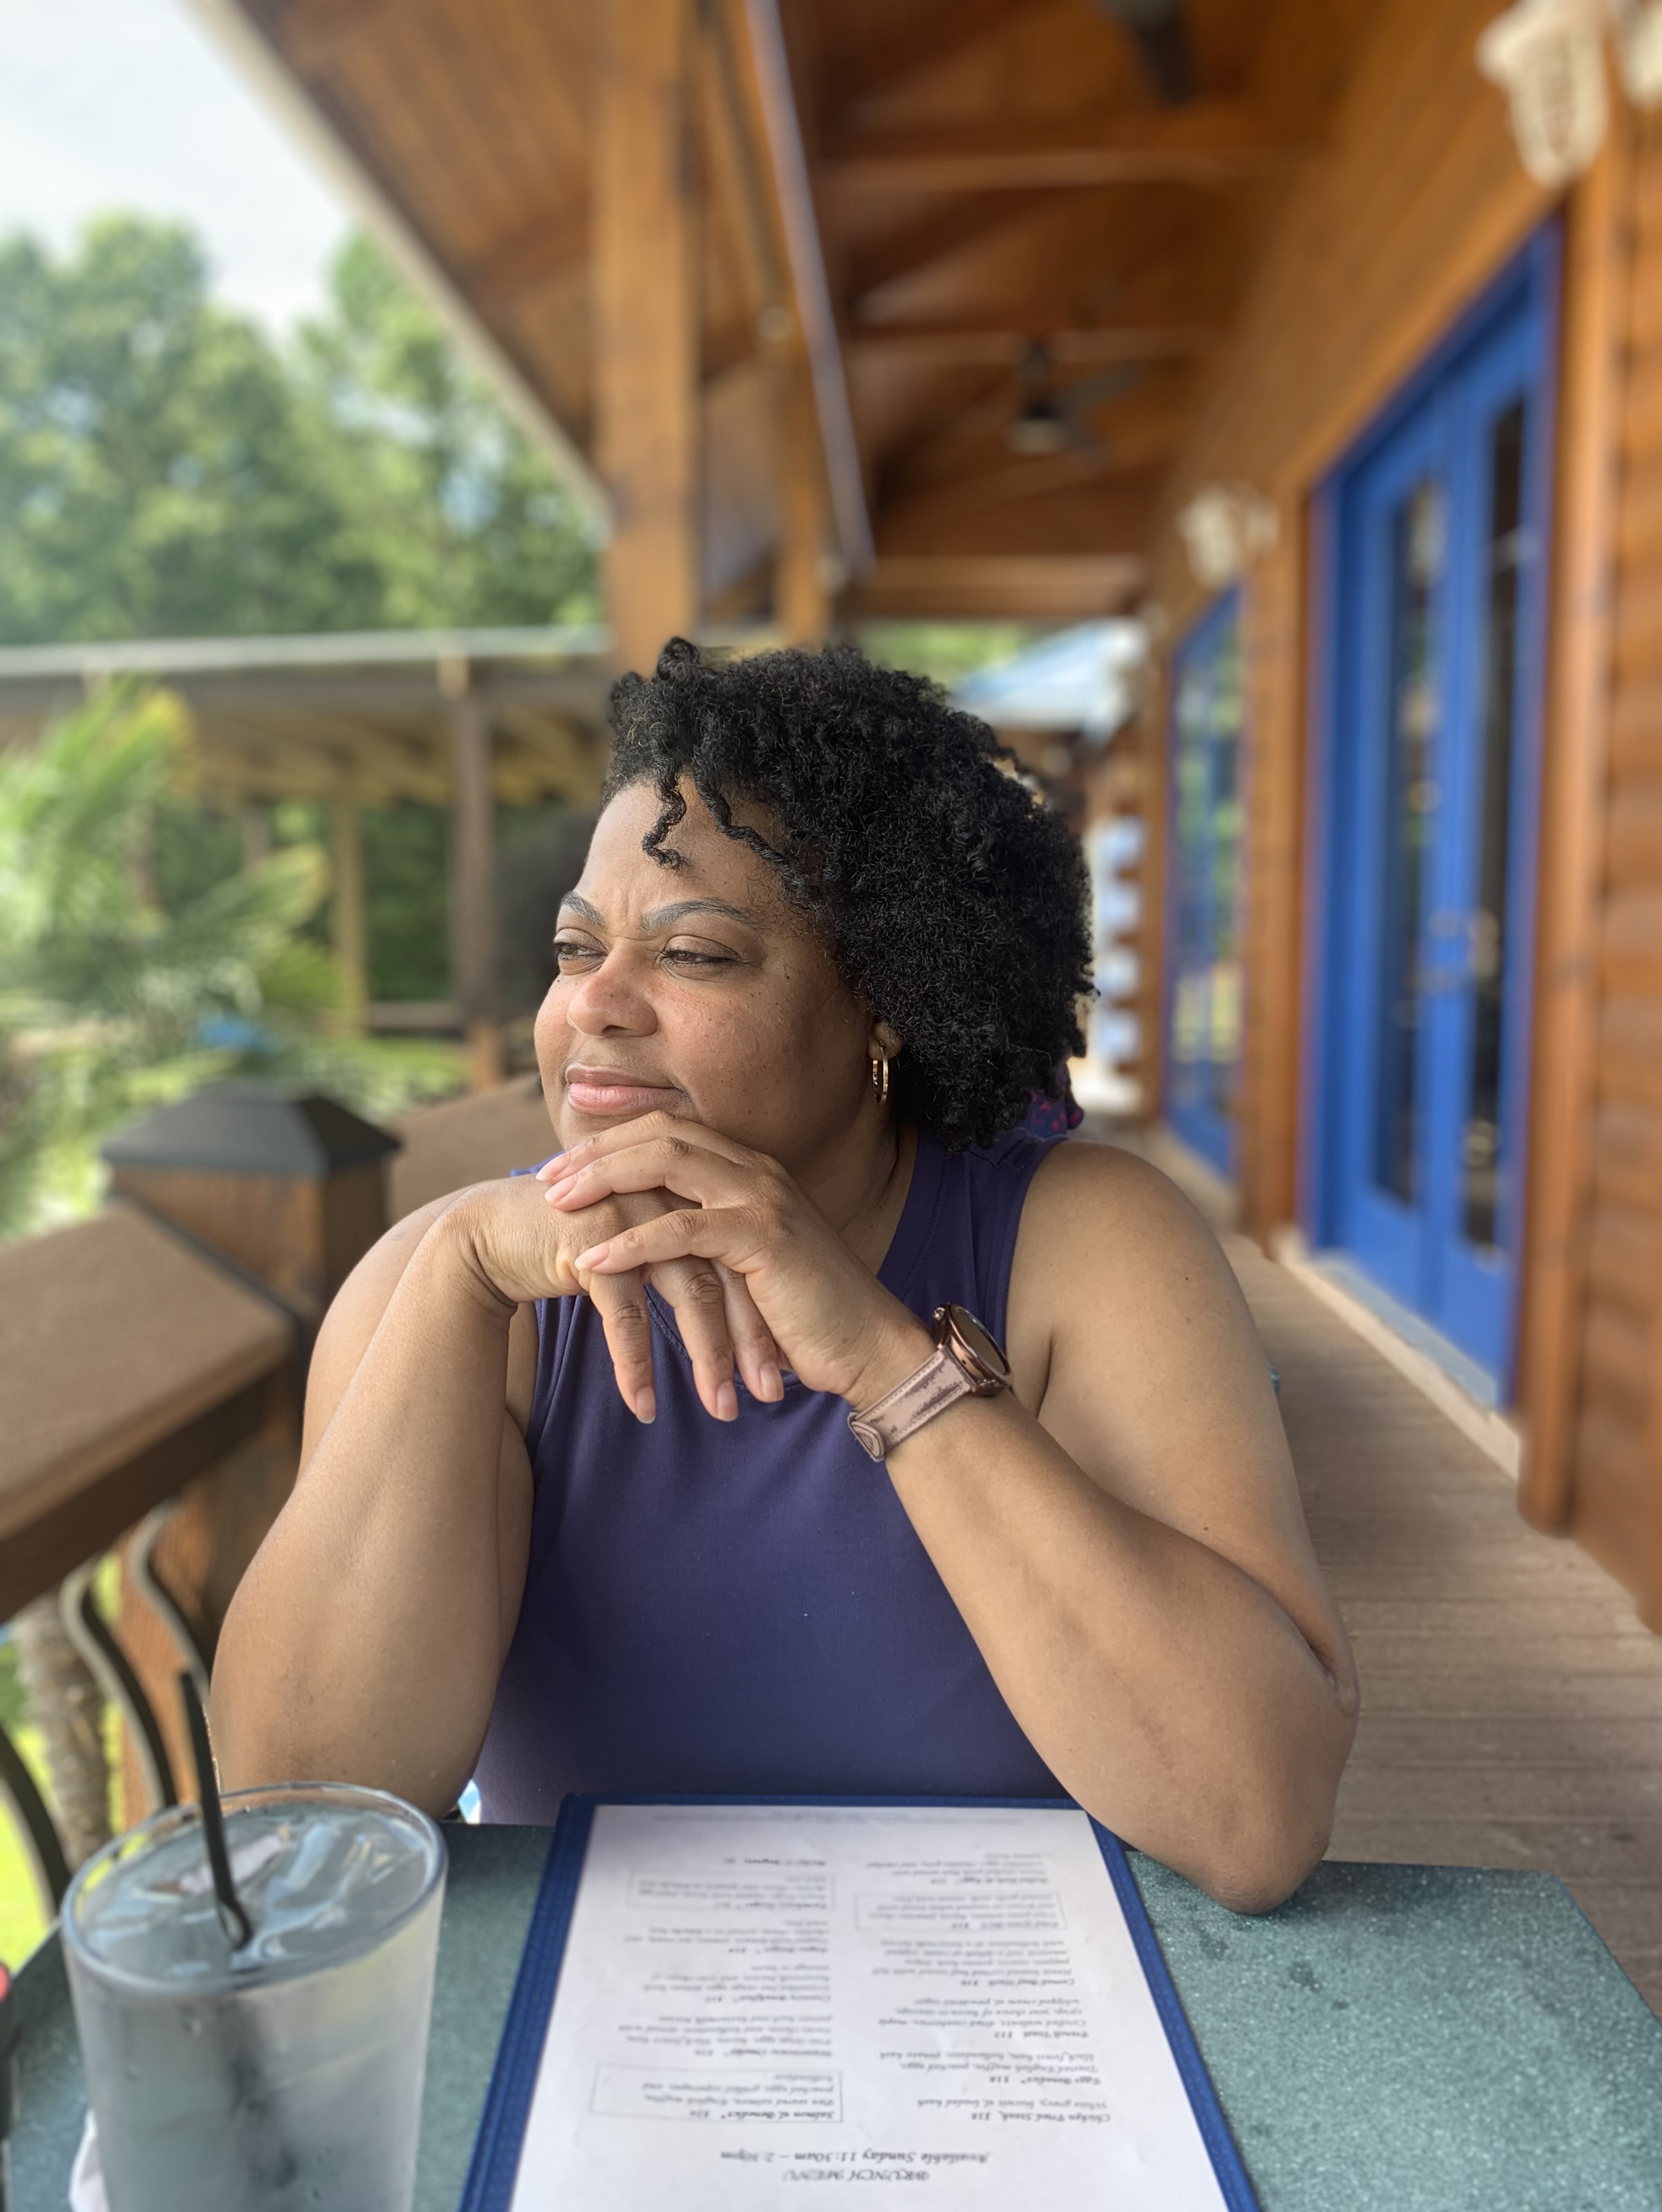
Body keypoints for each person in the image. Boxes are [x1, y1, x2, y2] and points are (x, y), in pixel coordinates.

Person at [213, 639, 1357, 1914]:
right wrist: (456, 1273)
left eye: (694, 955)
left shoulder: (1081, 1244)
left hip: (1005, 1996)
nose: (596, 1005)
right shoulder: (468, 1298)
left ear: (885, 999)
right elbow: (299, 1822)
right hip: (607, 2008)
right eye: (575, 948)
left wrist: (884, 1358)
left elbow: (1255, 1817)